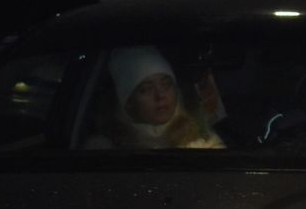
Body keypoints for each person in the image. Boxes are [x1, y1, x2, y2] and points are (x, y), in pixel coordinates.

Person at [87, 45, 225, 150]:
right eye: (146, 90)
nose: (160, 96)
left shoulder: (204, 141)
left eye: (166, 85)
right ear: (128, 101)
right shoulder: (103, 149)